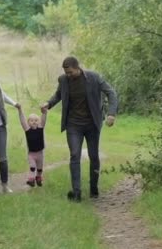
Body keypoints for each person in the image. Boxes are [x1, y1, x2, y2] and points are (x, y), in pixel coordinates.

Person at [41, 56, 118, 202]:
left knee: (93, 156)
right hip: (73, 124)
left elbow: (111, 93)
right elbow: (58, 95)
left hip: (92, 124)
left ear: (78, 68)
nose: (68, 75)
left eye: (70, 72)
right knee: (74, 155)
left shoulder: (94, 78)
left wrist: (111, 113)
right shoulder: (63, 80)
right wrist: (48, 104)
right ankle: (76, 192)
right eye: (66, 72)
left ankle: (94, 188)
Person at [17, 104, 48, 187]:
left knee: (40, 168)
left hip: (40, 153)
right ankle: (31, 180)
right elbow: (22, 120)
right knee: (32, 167)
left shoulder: (40, 128)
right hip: (31, 154)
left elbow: (43, 120)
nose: (34, 122)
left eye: (36, 120)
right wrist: (20, 110)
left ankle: (38, 178)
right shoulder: (27, 130)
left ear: (38, 122)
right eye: (31, 120)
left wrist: (44, 113)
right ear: (28, 122)